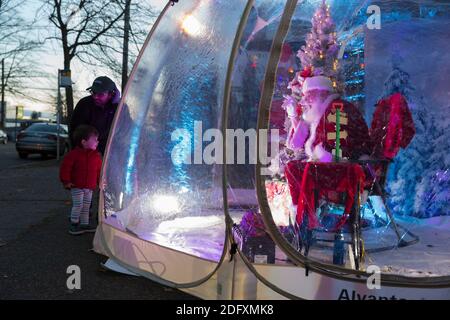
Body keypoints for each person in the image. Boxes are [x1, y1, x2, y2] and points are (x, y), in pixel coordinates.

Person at [60, 125, 103, 235]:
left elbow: (98, 171)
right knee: (78, 205)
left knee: (86, 206)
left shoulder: (96, 157)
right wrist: (66, 181)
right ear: (84, 142)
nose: (97, 142)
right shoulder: (73, 155)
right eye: (94, 140)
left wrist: (100, 182)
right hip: (76, 185)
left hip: (89, 187)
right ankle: (74, 224)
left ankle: (84, 224)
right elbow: (65, 168)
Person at [70, 76, 121, 155]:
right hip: (86, 154)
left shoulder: (119, 108)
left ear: (111, 94)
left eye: (100, 94)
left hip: (110, 155)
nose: (95, 97)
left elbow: (126, 130)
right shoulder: (84, 104)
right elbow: (75, 131)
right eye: (93, 92)